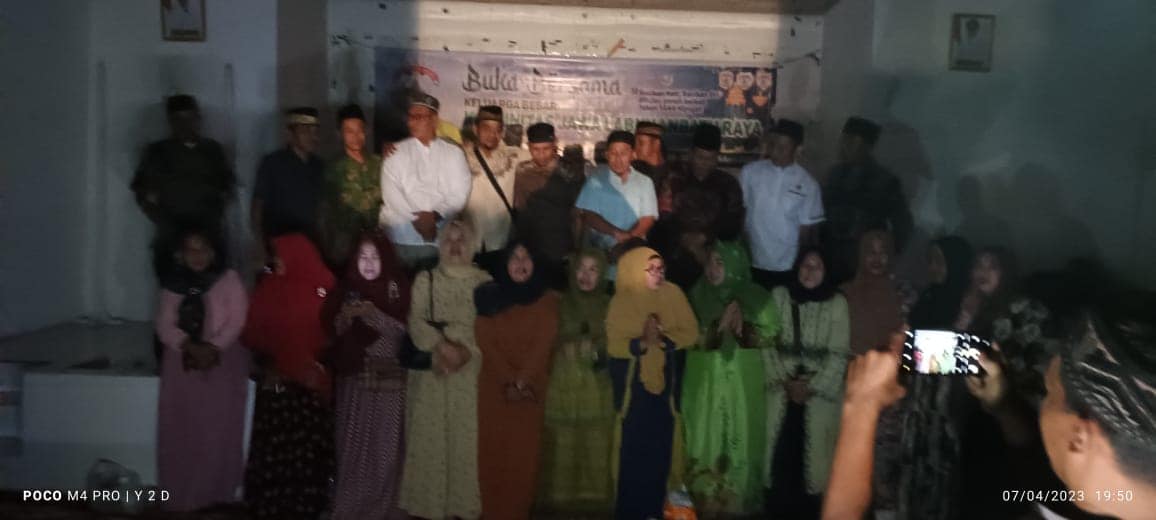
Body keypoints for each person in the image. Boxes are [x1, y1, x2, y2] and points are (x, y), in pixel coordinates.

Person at [825, 293, 1156, 520]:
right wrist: (1003, 405)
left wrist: (861, 405)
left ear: (1080, 438)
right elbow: (1048, 491)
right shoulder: (1118, 498)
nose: (1042, 403)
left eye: (1049, 393)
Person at [398, 219, 490, 520]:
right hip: (432, 375)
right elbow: (415, 321)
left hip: (468, 376)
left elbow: (489, 330)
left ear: (472, 244)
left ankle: (460, 510)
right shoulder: (426, 279)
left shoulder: (484, 282)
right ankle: (428, 510)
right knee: (430, 445)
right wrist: (443, 346)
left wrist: (466, 351)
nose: (454, 245)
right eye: (448, 239)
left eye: (461, 239)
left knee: (463, 445)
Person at [242, 233, 336, 520]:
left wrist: (316, 364)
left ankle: (306, 507)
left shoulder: (325, 288)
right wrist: (270, 363)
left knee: (307, 453)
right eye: (275, 255)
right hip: (277, 383)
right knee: (275, 451)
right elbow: (252, 334)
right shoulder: (268, 288)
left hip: (310, 385)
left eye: (281, 254)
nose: (277, 260)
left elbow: (337, 333)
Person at [683, 242, 781, 515]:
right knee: (705, 438)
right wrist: (717, 328)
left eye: (720, 263)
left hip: (741, 385)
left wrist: (744, 326)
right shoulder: (697, 294)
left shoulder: (756, 297)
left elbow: (773, 334)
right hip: (705, 386)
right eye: (710, 262)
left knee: (741, 438)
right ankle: (705, 503)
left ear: (736, 265)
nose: (712, 270)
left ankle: (738, 507)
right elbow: (684, 335)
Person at [154, 229, 248, 512]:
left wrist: (213, 347)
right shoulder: (173, 283)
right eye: (190, 250)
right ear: (180, 254)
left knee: (217, 429)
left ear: (214, 251)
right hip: (182, 362)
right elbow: (164, 324)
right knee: (182, 428)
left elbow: (237, 318)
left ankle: (214, 493)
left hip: (222, 361)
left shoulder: (228, 279)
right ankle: (182, 495)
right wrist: (189, 346)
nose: (197, 256)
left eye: (203, 248)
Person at [321, 232, 411, 520]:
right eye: (363, 256)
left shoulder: (397, 289)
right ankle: (351, 509)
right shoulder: (345, 291)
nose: (369, 263)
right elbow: (332, 331)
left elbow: (405, 332)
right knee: (352, 450)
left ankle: (382, 510)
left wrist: (373, 315)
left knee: (384, 451)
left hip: (388, 386)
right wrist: (346, 318)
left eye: (375, 257)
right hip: (355, 385)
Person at [606, 247, 699, 520]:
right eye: (651, 269)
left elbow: (691, 332)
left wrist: (664, 341)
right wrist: (642, 344)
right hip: (633, 391)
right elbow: (614, 345)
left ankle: (657, 512)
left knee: (661, 451)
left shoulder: (673, 294)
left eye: (661, 269)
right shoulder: (622, 301)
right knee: (633, 453)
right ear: (635, 271)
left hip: (665, 390)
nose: (658, 274)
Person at [887, 235, 975, 520]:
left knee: (941, 478)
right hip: (917, 403)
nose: (933, 268)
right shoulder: (927, 298)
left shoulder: (968, 303)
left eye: (940, 261)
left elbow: (967, 354)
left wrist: (913, 350)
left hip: (948, 408)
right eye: (931, 261)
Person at [473, 242, 560, 520]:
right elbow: (484, 339)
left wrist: (519, 384)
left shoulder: (547, 301)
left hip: (529, 393)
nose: (520, 263)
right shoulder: (488, 298)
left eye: (526, 257)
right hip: (494, 391)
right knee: (491, 456)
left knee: (522, 460)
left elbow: (543, 345)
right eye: (514, 258)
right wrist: (509, 382)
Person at [762, 248, 849, 518]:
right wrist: (784, 381)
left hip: (817, 400)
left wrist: (811, 386)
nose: (810, 271)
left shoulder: (837, 303)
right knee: (779, 462)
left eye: (817, 266)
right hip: (782, 394)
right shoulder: (779, 296)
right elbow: (766, 342)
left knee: (813, 468)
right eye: (805, 265)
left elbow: (839, 353)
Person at [537, 249, 616, 515]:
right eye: (581, 268)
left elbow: (618, 341)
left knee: (596, 442)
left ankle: (594, 504)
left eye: (594, 269)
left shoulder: (609, 304)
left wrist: (595, 348)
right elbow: (545, 338)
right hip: (563, 387)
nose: (586, 275)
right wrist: (563, 346)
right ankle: (560, 503)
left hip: (596, 389)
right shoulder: (558, 303)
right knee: (563, 443)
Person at [132, 94, 235, 278]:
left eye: (189, 118)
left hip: (209, 235)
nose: (185, 124)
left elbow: (227, 189)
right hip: (172, 236)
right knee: (173, 286)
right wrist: (166, 223)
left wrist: (211, 222)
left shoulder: (212, 150)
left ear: (198, 118)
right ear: (170, 122)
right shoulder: (158, 152)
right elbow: (143, 194)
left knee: (215, 285)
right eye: (178, 119)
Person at [379, 93, 472, 271]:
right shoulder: (395, 152)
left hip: (439, 241)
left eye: (419, 117)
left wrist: (435, 215)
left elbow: (460, 193)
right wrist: (420, 221)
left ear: (434, 120)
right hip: (401, 240)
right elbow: (391, 195)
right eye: (410, 117)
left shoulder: (454, 153)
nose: (412, 122)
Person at [652, 123, 745, 289]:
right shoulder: (673, 178)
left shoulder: (728, 184)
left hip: (713, 262)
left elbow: (733, 224)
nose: (704, 163)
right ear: (691, 154)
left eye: (710, 159)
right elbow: (662, 218)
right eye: (700, 157)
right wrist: (686, 239)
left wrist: (705, 237)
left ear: (717, 158)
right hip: (674, 259)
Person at [823, 116, 913, 285]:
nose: (845, 146)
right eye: (844, 140)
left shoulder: (885, 181)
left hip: (862, 264)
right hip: (830, 258)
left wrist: (882, 256)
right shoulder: (834, 174)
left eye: (852, 142)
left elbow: (903, 225)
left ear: (867, 146)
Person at [740, 119, 825, 290]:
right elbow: (741, 214)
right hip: (753, 260)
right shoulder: (750, 172)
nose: (775, 152)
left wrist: (801, 265)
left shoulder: (808, 184)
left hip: (788, 265)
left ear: (797, 150)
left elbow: (807, 232)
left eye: (782, 147)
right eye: (772, 145)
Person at [513, 123, 586, 290]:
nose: (541, 155)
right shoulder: (523, 171)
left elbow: (578, 215)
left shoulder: (571, 172)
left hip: (562, 251)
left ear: (555, 144)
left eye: (546, 149)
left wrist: (577, 249)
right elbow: (521, 211)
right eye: (535, 150)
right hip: (532, 250)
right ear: (528, 147)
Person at [575, 130, 657, 266]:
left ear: (633, 154)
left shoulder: (644, 182)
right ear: (607, 154)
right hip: (601, 253)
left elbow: (648, 218)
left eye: (623, 153)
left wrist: (630, 237)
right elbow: (589, 215)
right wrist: (616, 233)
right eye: (613, 153)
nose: (618, 159)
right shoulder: (595, 179)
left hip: (633, 251)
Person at [319, 104, 383, 269]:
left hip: (375, 245)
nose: (356, 136)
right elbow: (326, 212)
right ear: (339, 134)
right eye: (349, 131)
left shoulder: (378, 163)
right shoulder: (333, 168)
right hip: (344, 247)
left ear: (366, 130)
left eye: (359, 130)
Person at [252, 108, 324, 253]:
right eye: (305, 131)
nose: (312, 137)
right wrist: (259, 244)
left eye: (314, 131)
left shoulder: (319, 166)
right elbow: (257, 206)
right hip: (278, 244)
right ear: (290, 134)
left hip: (310, 244)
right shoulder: (272, 163)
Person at [464, 106, 522, 262]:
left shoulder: (514, 156)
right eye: (486, 128)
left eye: (497, 130)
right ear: (476, 129)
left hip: (501, 243)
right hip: (470, 243)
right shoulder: (461, 157)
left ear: (502, 132)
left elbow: (541, 159)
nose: (492, 134)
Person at [841, 230, 905, 355]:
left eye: (883, 253)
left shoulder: (901, 294)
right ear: (861, 256)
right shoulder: (845, 293)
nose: (877, 259)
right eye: (871, 252)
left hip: (890, 363)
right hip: (853, 364)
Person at [631, 121, 669, 204]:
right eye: (635, 143)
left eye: (641, 143)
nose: (636, 147)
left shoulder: (671, 176)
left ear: (656, 144)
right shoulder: (634, 170)